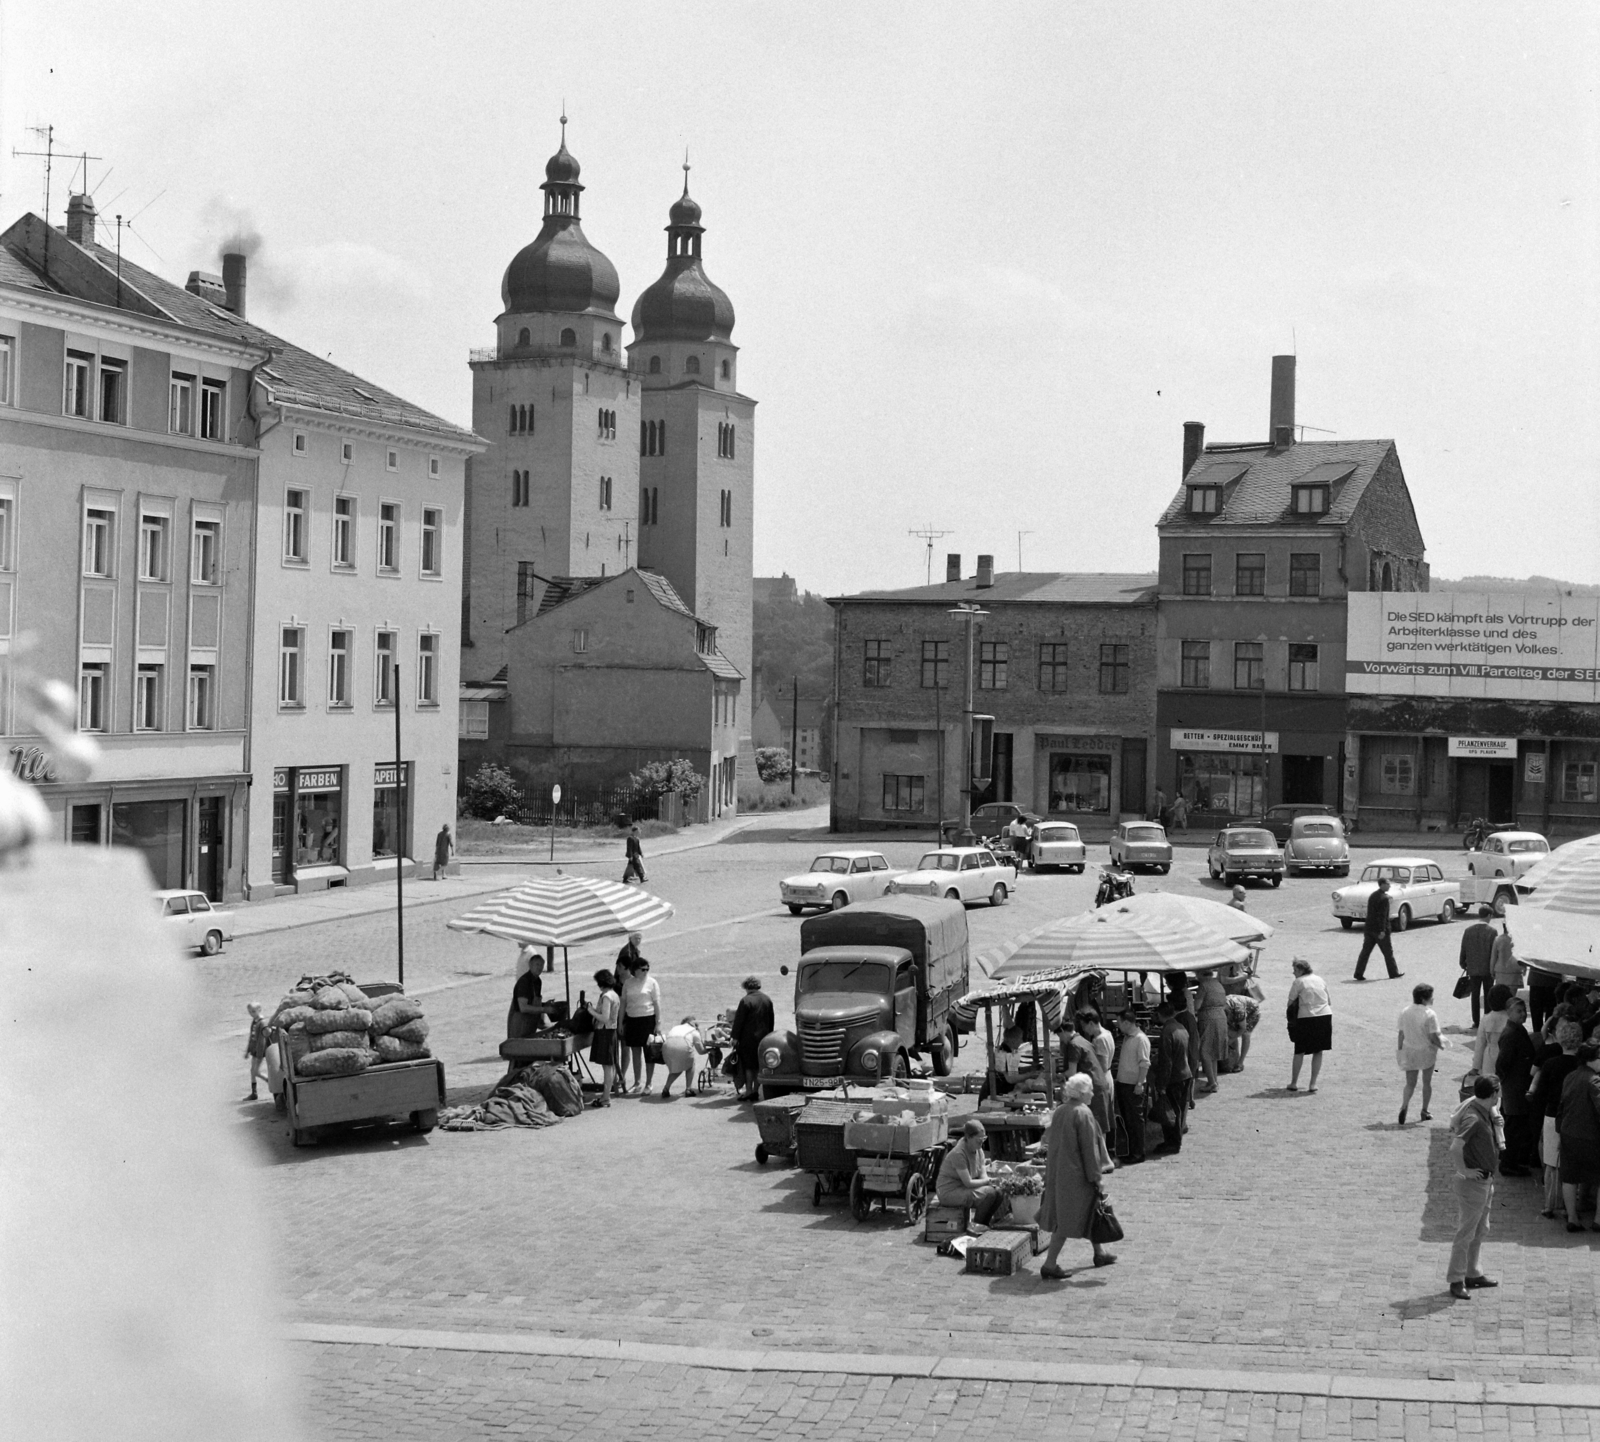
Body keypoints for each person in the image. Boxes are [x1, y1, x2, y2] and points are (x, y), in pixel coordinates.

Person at [1039, 1074, 1117, 1277]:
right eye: (1090, 1089)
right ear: (1082, 1093)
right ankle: (1049, 1264)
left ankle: (1099, 1252)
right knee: (1067, 1220)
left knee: (1092, 1212)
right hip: (1076, 1177)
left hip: (1059, 1172)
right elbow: (1089, 1150)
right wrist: (1096, 1178)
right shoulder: (1083, 1114)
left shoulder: (1061, 1111)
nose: (1092, 1093)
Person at [1447, 1075, 1503, 1300]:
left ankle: (1472, 1273)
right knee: (1466, 1232)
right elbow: (1456, 1146)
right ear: (1493, 1094)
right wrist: (1464, 1171)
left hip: (1485, 1181)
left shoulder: (1483, 1110)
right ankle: (1456, 1280)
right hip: (1474, 1183)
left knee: (1481, 1229)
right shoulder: (1474, 1118)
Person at [1530, 1020, 1586, 1219]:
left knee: (1551, 1163)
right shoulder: (1583, 1067)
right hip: (1575, 1117)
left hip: (1552, 1115)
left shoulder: (1551, 1064)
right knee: (1570, 1164)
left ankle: (1549, 1203)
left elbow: (1540, 1093)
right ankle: (1570, 1203)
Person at [1557, 1045, 1600, 1233]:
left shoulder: (1570, 1076)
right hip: (1591, 1136)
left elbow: (1563, 1105)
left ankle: (1572, 1218)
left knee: (1570, 1177)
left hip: (1568, 1133)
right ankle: (1598, 1220)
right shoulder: (1594, 1080)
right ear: (1591, 1059)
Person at [935, 1119, 1003, 1227]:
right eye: (979, 1139)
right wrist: (988, 1181)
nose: (981, 1142)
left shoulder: (979, 1150)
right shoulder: (958, 1154)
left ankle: (985, 1223)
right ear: (969, 1138)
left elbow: (982, 1174)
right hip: (950, 1193)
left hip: (964, 1188)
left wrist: (990, 1182)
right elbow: (968, 1182)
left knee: (999, 1192)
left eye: (984, 1139)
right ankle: (977, 1226)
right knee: (989, 1193)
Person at [1495, 997, 1537, 1174]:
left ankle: (1512, 1160)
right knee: (1513, 1128)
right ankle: (1507, 1164)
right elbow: (1502, 1064)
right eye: (1518, 1011)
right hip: (1515, 1088)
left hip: (1517, 1086)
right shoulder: (1511, 1034)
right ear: (1509, 1013)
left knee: (1516, 1127)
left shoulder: (1517, 1030)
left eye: (1524, 1010)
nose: (1523, 1014)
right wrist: (1508, 1082)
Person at [1395, 982, 1443, 1126]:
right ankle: (1424, 1110)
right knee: (1426, 1082)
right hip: (1426, 1051)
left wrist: (1400, 1050)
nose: (1432, 1000)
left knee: (1410, 1083)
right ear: (1424, 999)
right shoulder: (1429, 1014)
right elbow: (1434, 1036)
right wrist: (1441, 1045)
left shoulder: (1405, 1011)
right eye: (1430, 997)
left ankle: (1404, 1105)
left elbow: (1401, 1034)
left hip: (1409, 1050)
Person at [1148, 1000, 1192, 1155]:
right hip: (1184, 1074)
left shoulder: (1167, 1032)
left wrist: (1161, 1085)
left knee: (1170, 1113)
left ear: (1160, 1015)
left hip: (1175, 1077)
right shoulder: (1180, 1028)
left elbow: (1167, 1061)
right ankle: (1174, 1141)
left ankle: (1172, 1143)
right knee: (1178, 1111)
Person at [1062, 1010, 1113, 1136]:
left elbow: (1102, 1065)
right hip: (1106, 1078)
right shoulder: (1108, 1034)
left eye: (1084, 1025)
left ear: (1090, 1023)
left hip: (1099, 1077)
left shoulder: (1099, 1039)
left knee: (1097, 1125)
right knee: (1101, 1123)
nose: (1084, 1029)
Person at [1286, 959, 1332, 1093]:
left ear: (1300, 970)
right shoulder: (1320, 979)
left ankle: (1294, 1082)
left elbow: (1290, 1003)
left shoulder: (1298, 982)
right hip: (1324, 1015)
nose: (1293, 972)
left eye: (1295, 970)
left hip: (1306, 1016)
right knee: (1318, 1050)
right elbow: (1329, 1000)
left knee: (1299, 1050)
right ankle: (1313, 1083)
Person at [620, 957, 662, 1095]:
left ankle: (649, 1083)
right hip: (632, 1020)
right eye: (643, 969)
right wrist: (620, 1022)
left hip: (647, 1019)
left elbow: (657, 1004)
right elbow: (623, 1004)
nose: (645, 972)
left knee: (649, 1053)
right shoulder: (628, 983)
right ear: (635, 970)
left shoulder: (652, 983)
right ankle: (638, 1082)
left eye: (647, 969)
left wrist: (658, 1023)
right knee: (635, 1052)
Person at [1113, 1013, 1150, 1164]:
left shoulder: (1140, 1039)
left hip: (1133, 1086)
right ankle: (1132, 1151)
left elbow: (1144, 1063)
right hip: (1124, 1083)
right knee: (1128, 1120)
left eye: (1120, 1022)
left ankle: (1138, 1153)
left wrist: (1140, 1083)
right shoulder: (1128, 1037)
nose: (1118, 1026)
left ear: (1127, 1023)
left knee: (1135, 1121)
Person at [730, 975, 775, 1100]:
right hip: (764, 1039)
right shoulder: (767, 999)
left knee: (749, 1067)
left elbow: (739, 1021)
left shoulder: (746, 1000)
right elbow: (771, 1020)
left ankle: (749, 1091)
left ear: (746, 987)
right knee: (759, 1065)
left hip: (748, 1039)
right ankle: (756, 1090)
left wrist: (734, 1038)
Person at [1354, 878, 1401, 981]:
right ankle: (1393, 973)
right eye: (1388, 884)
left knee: (1365, 952)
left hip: (1369, 929)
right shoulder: (1384, 898)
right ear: (1382, 884)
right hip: (1379, 931)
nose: (1390, 886)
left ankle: (1358, 973)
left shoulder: (1373, 895)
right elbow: (1382, 916)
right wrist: (1382, 930)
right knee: (1388, 953)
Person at [1194, 968, 1229, 1093]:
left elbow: (1197, 1006)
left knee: (1205, 1051)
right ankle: (1213, 1080)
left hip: (1208, 1019)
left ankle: (1212, 1082)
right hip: (1221, 1017)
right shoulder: (1218, 984)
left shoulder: (1204, 985)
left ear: (1200, 974)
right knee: (1213, 1052)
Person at [589, 969, 620, 1105]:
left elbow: (604, 1018)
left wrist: (591, 1011)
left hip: (605, 1032)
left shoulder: (607, 996)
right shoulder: (614, 995)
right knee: (610, 1065)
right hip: (611, 1031)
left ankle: (606, 1097)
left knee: (607, 1066)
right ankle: (606, 1095)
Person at [1458, 917, 1496, 1027]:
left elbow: (1463, 948)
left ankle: (1476, 1021)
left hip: (1473, 969)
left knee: (1475, 995)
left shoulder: (1468, 930)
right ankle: (1487, 1019)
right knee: (1488, 994)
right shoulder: (1492, 931)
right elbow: (1494, 951)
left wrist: (1463, 963)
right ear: (1489, 915)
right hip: (1488, 969)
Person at [660, 1016, 707, 1099]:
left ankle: (666, 1088)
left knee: (676, 1068)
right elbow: (701, 1051)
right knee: (690, 1065)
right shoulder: (694, 1031)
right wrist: (710, 1050)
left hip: (666, 1046)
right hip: (682, 1045)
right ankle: (688, 1089)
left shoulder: (675, 1027)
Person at [1471, 984, 1514, 1074]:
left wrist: (1476, 1066)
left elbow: (1480, 1044)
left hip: (1489, 1057)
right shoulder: (1511, 1019)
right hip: (1508, 1057)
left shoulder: (1486, 1019)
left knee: (1489, 1084)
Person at [1223, 992, 1260, 1073]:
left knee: (1246, 1034)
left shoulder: (1238, 1010)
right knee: (1231, 1031)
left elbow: (1242, 1029)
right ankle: (1234, 1059)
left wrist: (1231, 1041)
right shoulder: (1221, 1006)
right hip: (1234, 1009)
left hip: (1252, 1011)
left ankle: (1240, 1063)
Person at [506, 967, 546, 1041]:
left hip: (528, 1032)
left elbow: (536, 1007)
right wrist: (544, 1009)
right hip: (518, 1032)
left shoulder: (536, 982)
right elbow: (524, 1008)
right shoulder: (524, 984)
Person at [243, 1002, 269, 1102]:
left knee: (256, 1072)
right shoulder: (254, 1021)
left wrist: (259, 1054)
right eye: (250, 1012)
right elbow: (251, 1037)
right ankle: (254, 1093)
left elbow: (262, 1041)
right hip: (254, 1050)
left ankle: (270, 1081)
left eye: (253, 1011)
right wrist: (248, 1050)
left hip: (259, 1051)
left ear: (259, 1010)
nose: (251, 1014)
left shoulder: (262, 1023)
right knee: (252, 1071)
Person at [1489, 923, 1522, 995]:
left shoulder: (1497, 939)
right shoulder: (1518, 939)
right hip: (1514, 972)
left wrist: (1492, 971)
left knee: (1501, 997)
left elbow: (1493, 957)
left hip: (1500, 972)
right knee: (1511, 996)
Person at [1528, 966, 1561, 1033]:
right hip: (1544, 978)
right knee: (1544, 1012)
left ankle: (1543, 1035)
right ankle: (1542, 1035)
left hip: (1547, 978)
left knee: (1548, 1012)